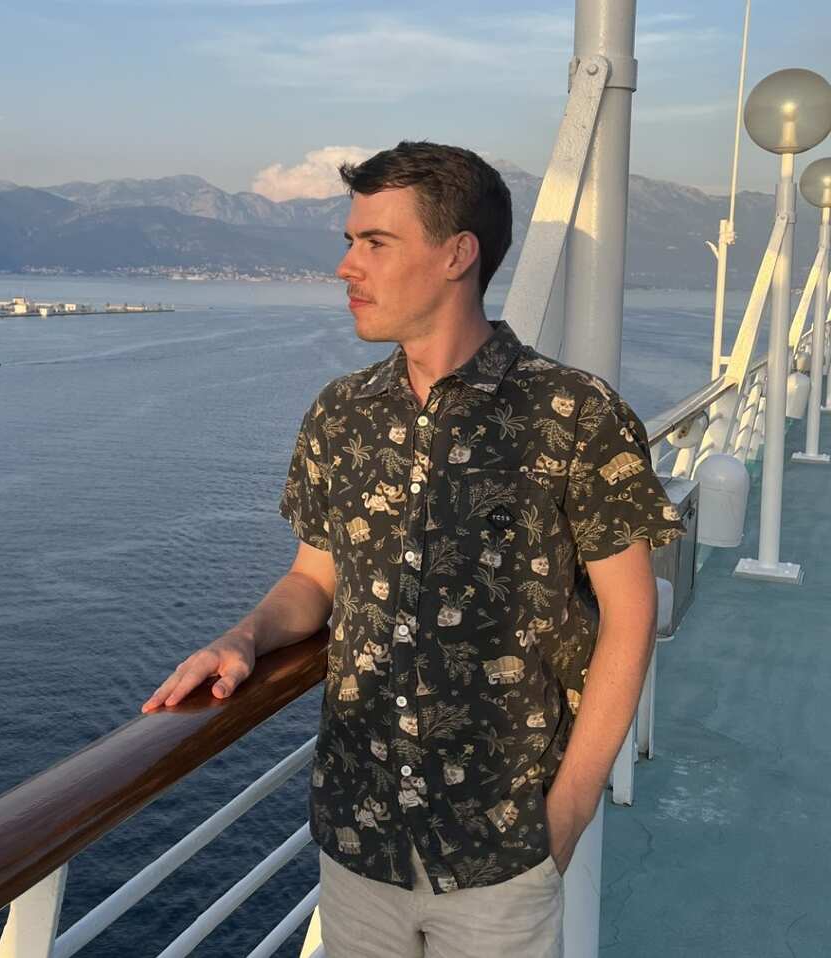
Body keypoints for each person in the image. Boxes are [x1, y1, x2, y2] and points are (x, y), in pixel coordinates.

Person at [141, 141, 684, 957]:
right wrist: (243, 638)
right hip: (359, 841)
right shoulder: (341, 416)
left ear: (457, 255)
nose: (344, 267)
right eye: (349, 241)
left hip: (503, 852)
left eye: (374, 243)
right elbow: (313, 579)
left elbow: (630, 614)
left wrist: (566, 814)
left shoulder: (573, 413)